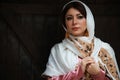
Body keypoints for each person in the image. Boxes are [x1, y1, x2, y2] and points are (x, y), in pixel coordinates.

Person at [42, 0, 120, 80]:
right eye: (69, 18)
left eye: (80, 17)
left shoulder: (104, 48)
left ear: (88, 19)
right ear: (64, 23)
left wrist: (98, 74)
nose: (74, 22)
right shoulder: (58, 50)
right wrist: (78, 73)